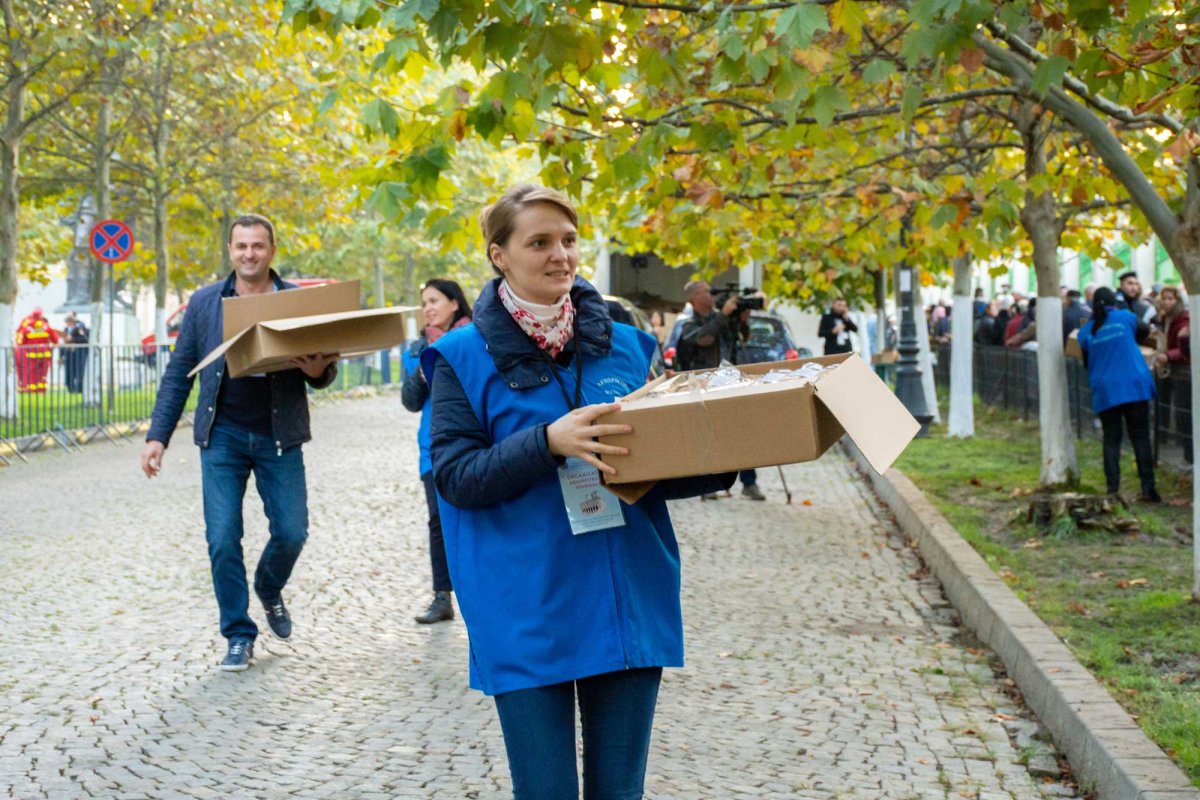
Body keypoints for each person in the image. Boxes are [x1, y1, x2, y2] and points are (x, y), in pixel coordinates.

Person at [422, 184, 735, 798]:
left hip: (624, 597)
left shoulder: (626, 345)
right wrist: (547, 442)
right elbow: (456, 478)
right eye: (538, 242)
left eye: (568, 240)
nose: (559, 255)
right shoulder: (459, 357)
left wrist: (729, 453)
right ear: (499, 256)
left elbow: (657, 463)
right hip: (525, 606)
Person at [140, 214, 339, 671]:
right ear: (230, 250)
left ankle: (268, 587)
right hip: (222, 435)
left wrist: (317, 373)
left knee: (292, 531)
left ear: (272, 250)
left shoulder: (295, 301)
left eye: (258, 246)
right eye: (241, 246)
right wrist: (157, 436)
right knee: (223, 538)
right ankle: (238, 633)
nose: (249, 254)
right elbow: (179, 372)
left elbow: (325, 366)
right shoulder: (207, 302)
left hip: (279, 434)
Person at [401, 278, 473, 625]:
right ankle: (441, 597)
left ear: (455, 303)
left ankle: (484, 590)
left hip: (478, 443)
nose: (428, 308)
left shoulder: (478, 339)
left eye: (435, 300)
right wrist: (425, 369)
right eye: (424, 302)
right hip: (433, 448)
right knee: (438, 521)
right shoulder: (418, 349)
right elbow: (410, 402)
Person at [676, 279, 764, 500]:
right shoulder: (689, 324)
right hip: (705, 386)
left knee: (741, 432)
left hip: (729, 382)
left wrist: (742, 321)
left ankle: (749, 482)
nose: (712, 295)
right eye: (707, 291)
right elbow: (704, 339)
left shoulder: (722, 318)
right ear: (694, 299)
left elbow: (744, 338)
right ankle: (710, 484)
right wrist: (724, 315)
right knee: (710, 436)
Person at [1076, 287, 1160, 502]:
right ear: (1115, 301)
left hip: (1107, 390)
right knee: (1141, 438)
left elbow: (1087, 362)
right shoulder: (1125, 317)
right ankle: (1148, 488)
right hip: (1134, 385)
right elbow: (1145, 332)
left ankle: (1113, 490)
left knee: (1111, 440)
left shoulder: (1086, 331)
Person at [1154, 285, 1191, 464]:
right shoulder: (1164, 317)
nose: (1167, 302)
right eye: (1164, 298)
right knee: (1167, 404)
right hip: (1170, 368)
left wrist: (1168, 355)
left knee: (1184, 412)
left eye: (1171, 298)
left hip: (1182, 370)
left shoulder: (1183, 319)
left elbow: (1184, 348)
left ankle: (1189, 454)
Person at [14, 307, 59, 393]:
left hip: (31, 354)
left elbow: (21, 342)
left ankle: (31, 389)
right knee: (43, 372)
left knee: (31, 372)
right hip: (45, 354)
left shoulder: (28, 327)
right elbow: (55, 339)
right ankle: (42, 389)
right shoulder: (46, 326)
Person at [60, 311, 89, 394]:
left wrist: (72, 339)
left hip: (79, 354)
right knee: (69, 372)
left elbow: (85, 339)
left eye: (70, 318)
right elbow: (64, 343)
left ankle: (79, 389)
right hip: (68, 354)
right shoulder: (66, 329)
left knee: (79, 372)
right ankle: (70, 389)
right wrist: (61, 355)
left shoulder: (81, 327)